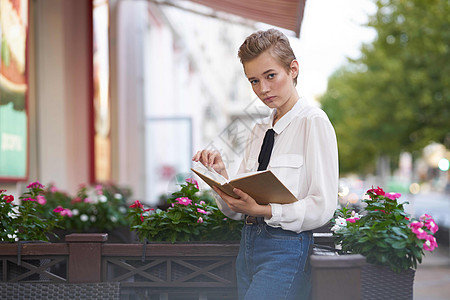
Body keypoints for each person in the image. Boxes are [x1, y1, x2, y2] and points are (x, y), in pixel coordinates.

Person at [192, 28, 338, 300]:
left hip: (286, 248)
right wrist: (220, 175)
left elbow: (323, 205)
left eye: (271, 76)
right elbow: (236, 209)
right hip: (247, 246)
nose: (263, 89)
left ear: (293, 69)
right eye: (254, 81)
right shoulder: (258, 130)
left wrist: (267, 210)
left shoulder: (313, 122)